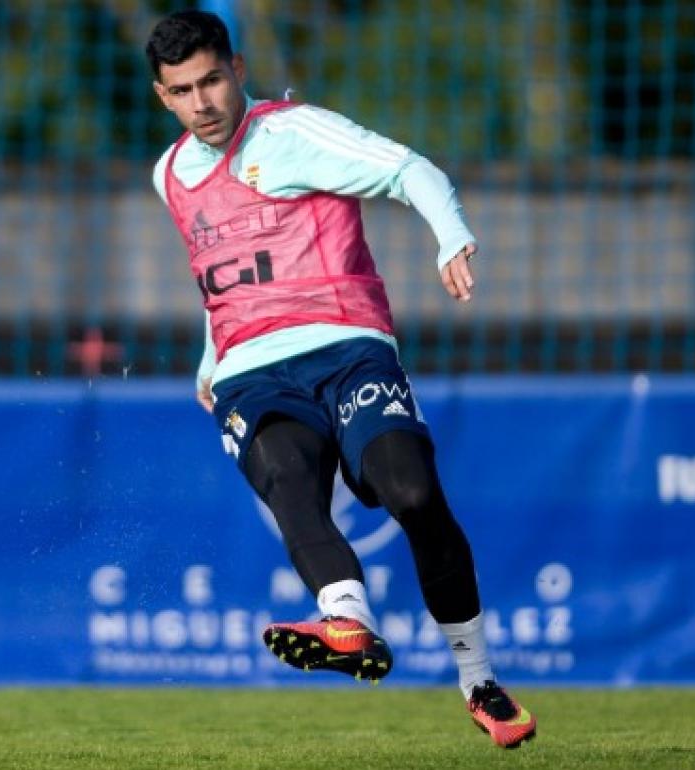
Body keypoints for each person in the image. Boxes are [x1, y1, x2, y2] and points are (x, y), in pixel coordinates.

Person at [144, 10, 535, 749]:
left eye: (212, 81)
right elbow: (217, 278)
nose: (202, 104)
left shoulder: (293, 134)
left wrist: (451, 235)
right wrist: (209, 360)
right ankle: (346, 620)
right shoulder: (169, 177)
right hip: (253, 372)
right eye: (183, 91)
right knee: (288, 481)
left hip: (346, 348)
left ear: (239, 69)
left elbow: (409, 169)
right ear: (162, 96)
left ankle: (478, 677)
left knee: (411, 490)